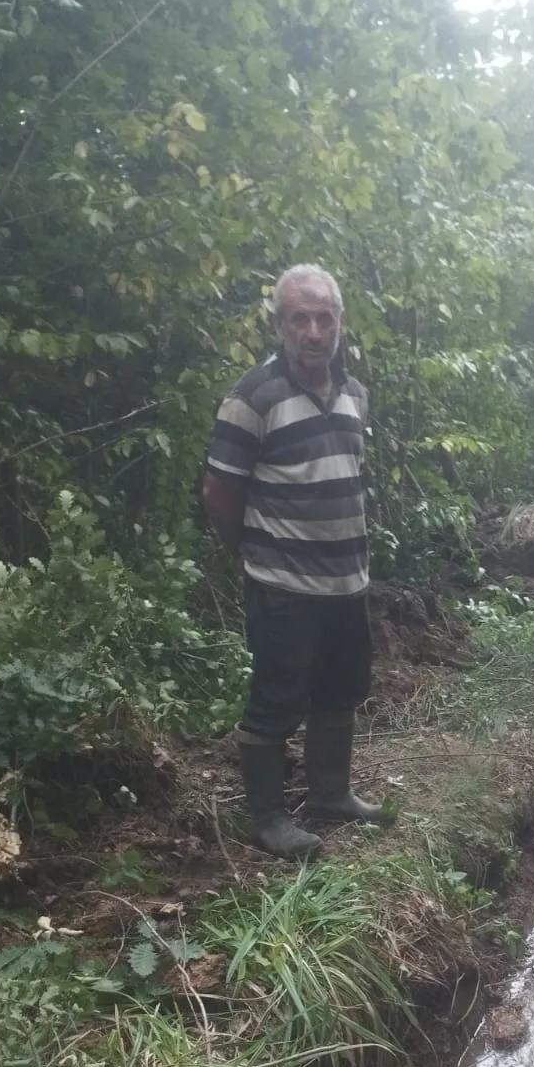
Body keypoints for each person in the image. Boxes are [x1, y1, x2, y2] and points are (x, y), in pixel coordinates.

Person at [202, 265, 386, 860]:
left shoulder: (356, 394)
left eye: (324, 317)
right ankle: (269, 817)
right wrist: (249, 552)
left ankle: (331, 794)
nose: (313, 330)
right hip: (282, 584)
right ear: (281, 324)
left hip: (346, 582)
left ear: (340, 322)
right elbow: (219, 492)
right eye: (300, 318)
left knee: (340, 692)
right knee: (278, 698)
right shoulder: (252, 397)